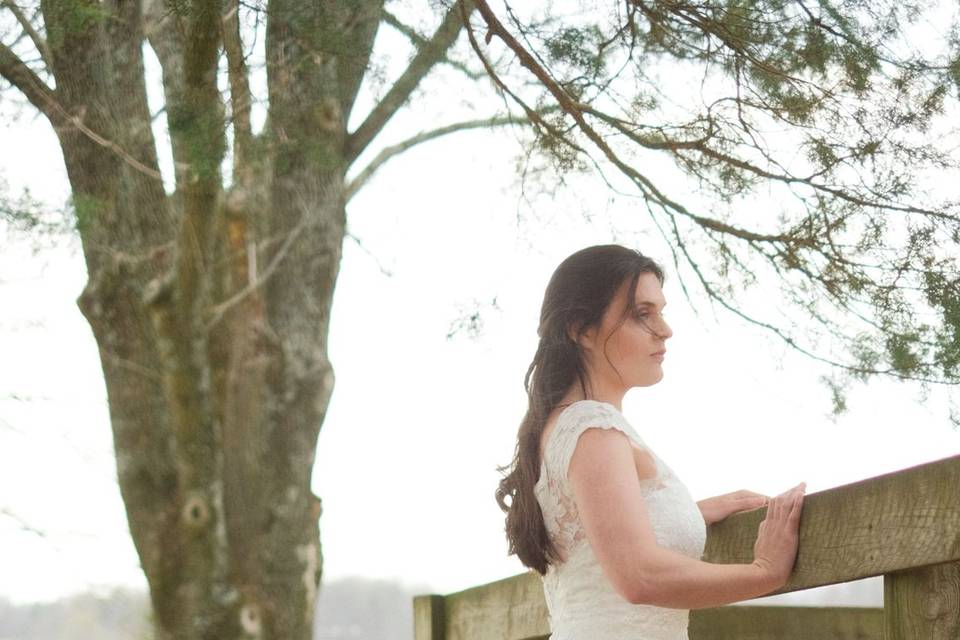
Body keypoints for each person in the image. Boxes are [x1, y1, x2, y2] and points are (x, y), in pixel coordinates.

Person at [495, 244, 805, 640]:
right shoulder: (593, 429)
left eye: (661, 311)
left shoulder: (565, 426)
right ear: (581, 330)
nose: (665, 329)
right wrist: (765, 572)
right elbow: (639, 576)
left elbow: (603, 538)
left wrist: (685, 513)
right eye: (642, 314)